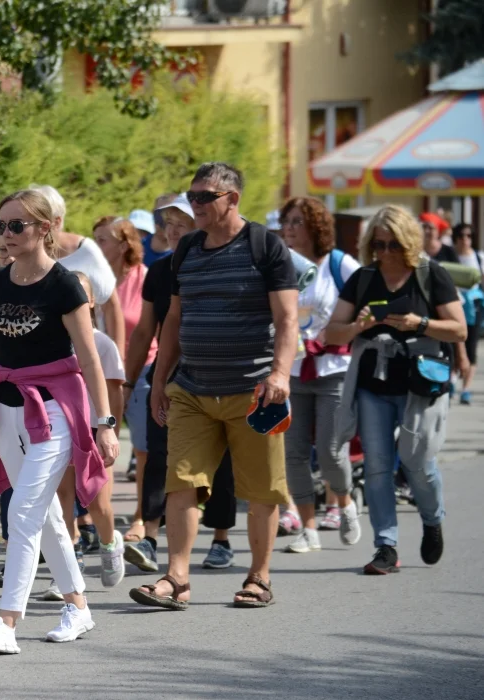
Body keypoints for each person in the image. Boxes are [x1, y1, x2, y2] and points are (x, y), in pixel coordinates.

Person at [0, 189, 120, 655]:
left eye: (16, 226)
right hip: (6, 406)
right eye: (0, 225)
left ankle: (6, 621)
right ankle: (78, 606)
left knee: (24, 511)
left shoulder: (65, 285)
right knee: (44, 513)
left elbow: (89, 360)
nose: (5, 235)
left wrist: (104, 422)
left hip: (54, 408)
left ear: (45, 229)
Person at [134, 162, 298, 610]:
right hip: (191, 389)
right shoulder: (186, 250)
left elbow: (287, 320)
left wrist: (280, 374)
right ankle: (177, 579)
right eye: (192, 196)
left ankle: (258, 578)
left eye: (205, 196)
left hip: (255, 394)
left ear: (233, 199)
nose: (195, 204)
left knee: (262, 489)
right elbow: (174, 319)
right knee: (180, 483)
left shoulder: (266, 246)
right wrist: (159, 381)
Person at [325, 205, 466, 575]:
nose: (385, 253)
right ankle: (385, 545)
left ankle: (432, 519)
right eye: (378, 245)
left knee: (418, 461)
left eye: (393, 245)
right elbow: (332, 332)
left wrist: (419, 323)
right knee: (377, 465)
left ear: (408, 243)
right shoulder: (363, 278)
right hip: (374, 385)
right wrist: (357, 325)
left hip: (420, 383)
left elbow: (459, 329)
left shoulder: (430, 274)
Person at [121, 195, 238, 572]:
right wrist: (126, 383)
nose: (171, 231)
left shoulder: (223, 264)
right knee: (159, 454)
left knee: (221, 459)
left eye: (181, 224)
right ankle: (151, 537)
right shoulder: (159, 272)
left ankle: (220, 536)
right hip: (171, 376)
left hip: (220, 374)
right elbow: (143, 333)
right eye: (167, 224)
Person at [277, 197, 362, 554]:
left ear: (316, 226)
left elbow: (364, 305)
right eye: (287, 222)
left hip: (334, 370)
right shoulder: (280, 263)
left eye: (298, 222)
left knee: (330, 450)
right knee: (294, 452)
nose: (290, 229)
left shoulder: (340, 265)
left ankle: (344, 502)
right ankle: (308, 528)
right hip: (292, 371)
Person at [48, 270, 126, 599]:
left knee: (97, 501)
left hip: (95, 427)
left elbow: (114, 392)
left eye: (80, 293)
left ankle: (110, 544)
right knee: (62, 497)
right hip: (63, 424)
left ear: (92, 301)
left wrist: (111, 429)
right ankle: (71, 562)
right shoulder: (52, 342)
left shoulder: (103, 344)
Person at [94, 215, 154, 497]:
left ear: (123, 245)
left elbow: (151, 330)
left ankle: (142, 518)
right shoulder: (89, 279)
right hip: (98, 372)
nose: (95, 246)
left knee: (143, 449)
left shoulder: (145, 278)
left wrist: (130, 380)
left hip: (140, 371)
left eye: (102, 240)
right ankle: (94, 517)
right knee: (97, 444)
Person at [31, 184, 126, 359]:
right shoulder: (25, 253)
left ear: (57, 221)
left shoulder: (85, 251)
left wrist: (117, 365)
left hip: (85, 359)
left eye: (39, 220)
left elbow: (111, 306)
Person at [452, 222, 483, 404]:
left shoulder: (479, 258)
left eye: (469, 236)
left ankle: (466, 389)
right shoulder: (451, 257)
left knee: (471, 347)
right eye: (462, 236)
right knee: (455, 344)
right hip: (454, 306)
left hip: (474, 307)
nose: (465, 239)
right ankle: (452, 382)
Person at [136, 196, 176, 267]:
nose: (161, 220)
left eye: (167, 215)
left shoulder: (182, 258)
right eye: (158, 214)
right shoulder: (136, 249)